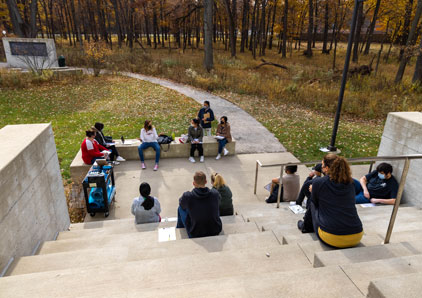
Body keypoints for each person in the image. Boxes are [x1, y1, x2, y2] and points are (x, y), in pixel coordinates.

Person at [298, 154, 363, 249]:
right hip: (357, 235)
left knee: (312, 202)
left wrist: (314, 191)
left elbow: (315, 203)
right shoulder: (351, 183)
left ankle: (305, 227)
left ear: (327, 168)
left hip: (332, 237)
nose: (321, 167)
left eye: (322, 165)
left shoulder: (318, 182)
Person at [176, 171, 222, 238]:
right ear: (206, 182)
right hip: (215, 230)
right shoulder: (215, 193)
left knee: (180, 208)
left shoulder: (188, 196)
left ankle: (180, 228)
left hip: (196, 233)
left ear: (193, 183)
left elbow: (181, 204)